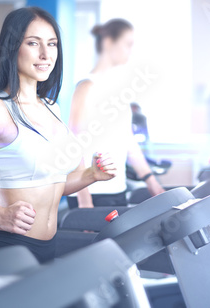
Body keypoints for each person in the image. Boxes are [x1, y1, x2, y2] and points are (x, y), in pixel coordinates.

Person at [0, 7, 117, 263]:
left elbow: (52, 186)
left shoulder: (51, 107)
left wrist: (90, 175)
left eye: (52, 44)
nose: (45, 54)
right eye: (33, 43)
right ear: (12, 48)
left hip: (48, 248)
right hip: (9, 250)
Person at [67, 18, 164, 209]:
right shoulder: (86, 86)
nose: (130, 50)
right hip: (91, 194)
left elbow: (129, 143)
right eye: (127, 44)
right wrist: (84, 200)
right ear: (108, 42)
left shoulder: (120, 91)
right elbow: (74, 145)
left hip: (116, 190)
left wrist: (152, 183)